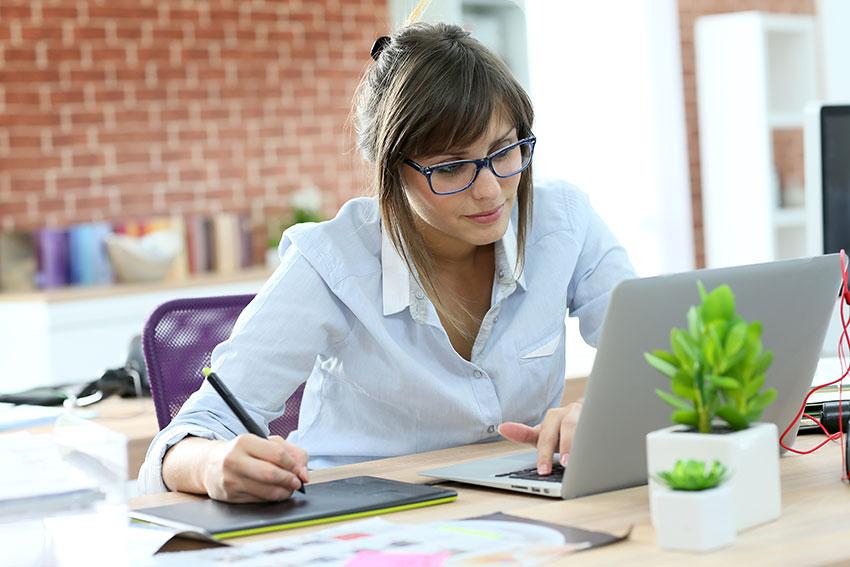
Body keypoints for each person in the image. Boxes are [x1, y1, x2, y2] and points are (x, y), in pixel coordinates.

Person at [138, 20, 637, 503]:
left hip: (519, 511)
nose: (490, 190)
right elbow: (186, 439)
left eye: (504, 151)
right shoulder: (331, 261)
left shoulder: (562, 222)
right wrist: (211, 464)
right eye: (450, 167)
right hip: (366, 520)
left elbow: (665, 360)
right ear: (390, 171)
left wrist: (602, 411)